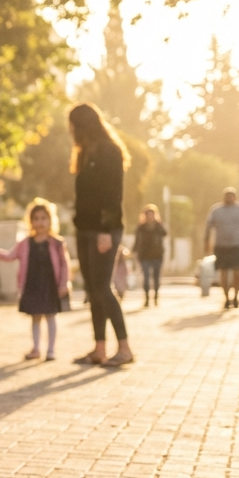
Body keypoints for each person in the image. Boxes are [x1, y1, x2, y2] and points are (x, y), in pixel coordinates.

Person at [69, 103, 134, 367]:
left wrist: (107, 231)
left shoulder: (109, 151)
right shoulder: (85, 152)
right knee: (92, 290)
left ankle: (125, 348)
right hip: (84, 228)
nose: (71, 131)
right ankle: (99, 348)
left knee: (102, 288)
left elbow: (113, 193)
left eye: (74, 125)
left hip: (103, 230)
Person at [0, 199, 71, 361]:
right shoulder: (25, 243)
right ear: (31, 221)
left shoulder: (57, 243)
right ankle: (35, 348)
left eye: (43, 218)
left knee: (50, 316)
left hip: (50, 285)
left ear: (50, 220)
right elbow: (9, 256)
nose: (40, 222)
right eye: (36, 218)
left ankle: (51, 350)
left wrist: (64, 283)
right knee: (35, 317)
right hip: (32, 285)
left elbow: (64, 265)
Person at [205, 187, 239, 309]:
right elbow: (208, 227)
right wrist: (206, 243)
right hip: (221, 246)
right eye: (227, 196)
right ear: (224, 197)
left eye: (232, 196)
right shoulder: (216, 210)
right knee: (224, 273)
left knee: (238, 273)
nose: (229, 198)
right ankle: (226, 298)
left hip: (236, 246)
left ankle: (236, 297)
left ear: (235, 197)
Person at [134, 205, 167, 307]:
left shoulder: (158, 226)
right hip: (144, 256)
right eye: (147, 214)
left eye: (151, 214)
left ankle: (156, 297)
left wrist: (159, 224)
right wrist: (135, 252)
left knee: (156, 278)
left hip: (157, 255)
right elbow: (137, 241)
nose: (149, 216)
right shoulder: (141, 227)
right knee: (146, 278)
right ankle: (147, 298)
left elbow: (165, 233)